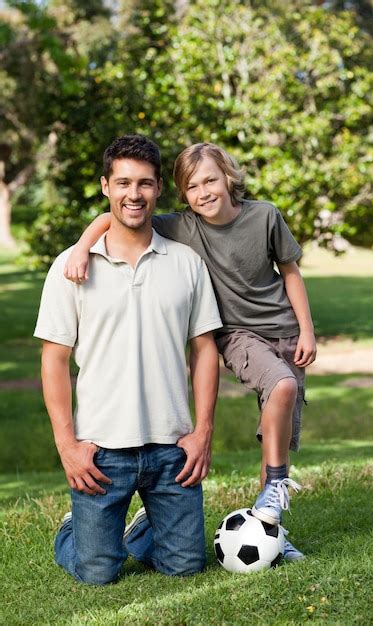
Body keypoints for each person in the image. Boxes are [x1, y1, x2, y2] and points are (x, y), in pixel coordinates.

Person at [64, 142, 317, 561]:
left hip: (286, 331)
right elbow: (118, 212)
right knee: (284, 385)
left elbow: (290, 271)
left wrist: (307, 330)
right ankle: (273, 491)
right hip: (236, 334)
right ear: (182, 194)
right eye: (193, 186)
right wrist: (81, 246)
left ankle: (271, 529)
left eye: (211, 181)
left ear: (229, 177)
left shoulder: (266, 216)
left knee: (276, 441)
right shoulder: (184, 226)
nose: (204, 193)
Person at [34, 135, 223, 585]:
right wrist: (67, 445)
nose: (133, 195)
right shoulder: (73, 266)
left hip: (171, 447)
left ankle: (141, 527)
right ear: (105, 187)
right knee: (98, 572)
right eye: (122, 183)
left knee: (186, 566)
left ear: (159, 189)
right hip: (101, 450)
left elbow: (205, 349)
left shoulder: (186, 263)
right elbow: (54, 360)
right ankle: (73, 529)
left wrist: (203, 432)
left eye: (144, 184)